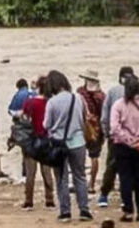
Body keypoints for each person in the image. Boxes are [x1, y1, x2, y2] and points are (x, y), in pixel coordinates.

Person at [44, 70, 93, 223]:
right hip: (78, 142)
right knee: (80, 176)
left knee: (61, 179)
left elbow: (46, 124)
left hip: (59, 144)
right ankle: (84, 210)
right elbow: (85, 117)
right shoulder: (78, 98)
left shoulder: (52, 102)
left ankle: (65, 212)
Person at [110, 75, 139, 222]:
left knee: (125, 179)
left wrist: (127, 139)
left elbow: (114, 127)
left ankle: (128, 211)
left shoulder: (118, 105)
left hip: (123, 147)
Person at [98, 66, 135, 207]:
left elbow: (104, 115)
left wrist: (106, 132)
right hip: (134, 137)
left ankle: (104, 195)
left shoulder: (113, 92)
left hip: (115, 137)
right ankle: (126, 197)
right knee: (130, 168)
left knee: (111, 166)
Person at [21, 76, 55, 210]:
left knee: (30, 173)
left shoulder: (29, 102)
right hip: (46, 139)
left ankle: (28, 200)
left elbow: (24, 119)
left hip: (31, 139)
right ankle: (49, 200)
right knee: (47, 171)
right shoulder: (51, 103)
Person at [76, 69, 105, 195]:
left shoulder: (80, 92)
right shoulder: (101, 96)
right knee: (94, 156)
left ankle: (80, 182)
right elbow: (103, 114)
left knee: (80, 155)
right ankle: (91, 184)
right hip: (96, 129)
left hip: (81, 127)